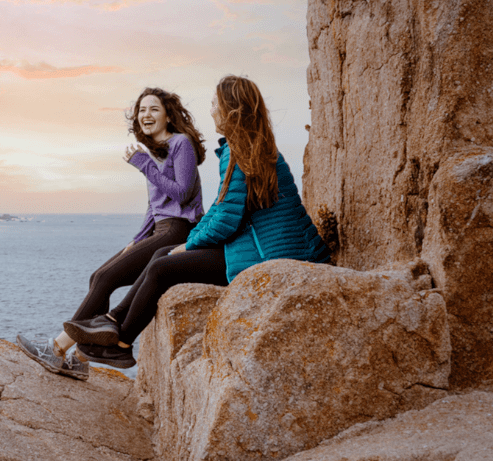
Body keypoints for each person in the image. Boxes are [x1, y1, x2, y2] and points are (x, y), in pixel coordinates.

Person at [63, 75, 331, 369]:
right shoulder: (244, 147)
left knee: (163, 266)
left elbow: (225, 222)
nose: (213, 110)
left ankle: (121, 342)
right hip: (256, 247)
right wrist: (187, 244)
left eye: (216, 104)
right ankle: (113, 325)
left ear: (231, 110)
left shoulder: (242, 152)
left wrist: (189, 245)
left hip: (269, 254)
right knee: (161, 256)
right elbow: (219, 209)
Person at [17, 87, 206, 379]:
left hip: (179, 231)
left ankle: (55, 350)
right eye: (142, 110)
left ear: (168, 115)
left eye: (154, 109)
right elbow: (155, 207)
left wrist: (144, 166)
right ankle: (81, 360)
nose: (146, 115)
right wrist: (137, 240)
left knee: (105, 278)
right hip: (160, 230)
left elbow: (181, 195)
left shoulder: (181, 144)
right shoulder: (154, 154)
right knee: (99, 277)